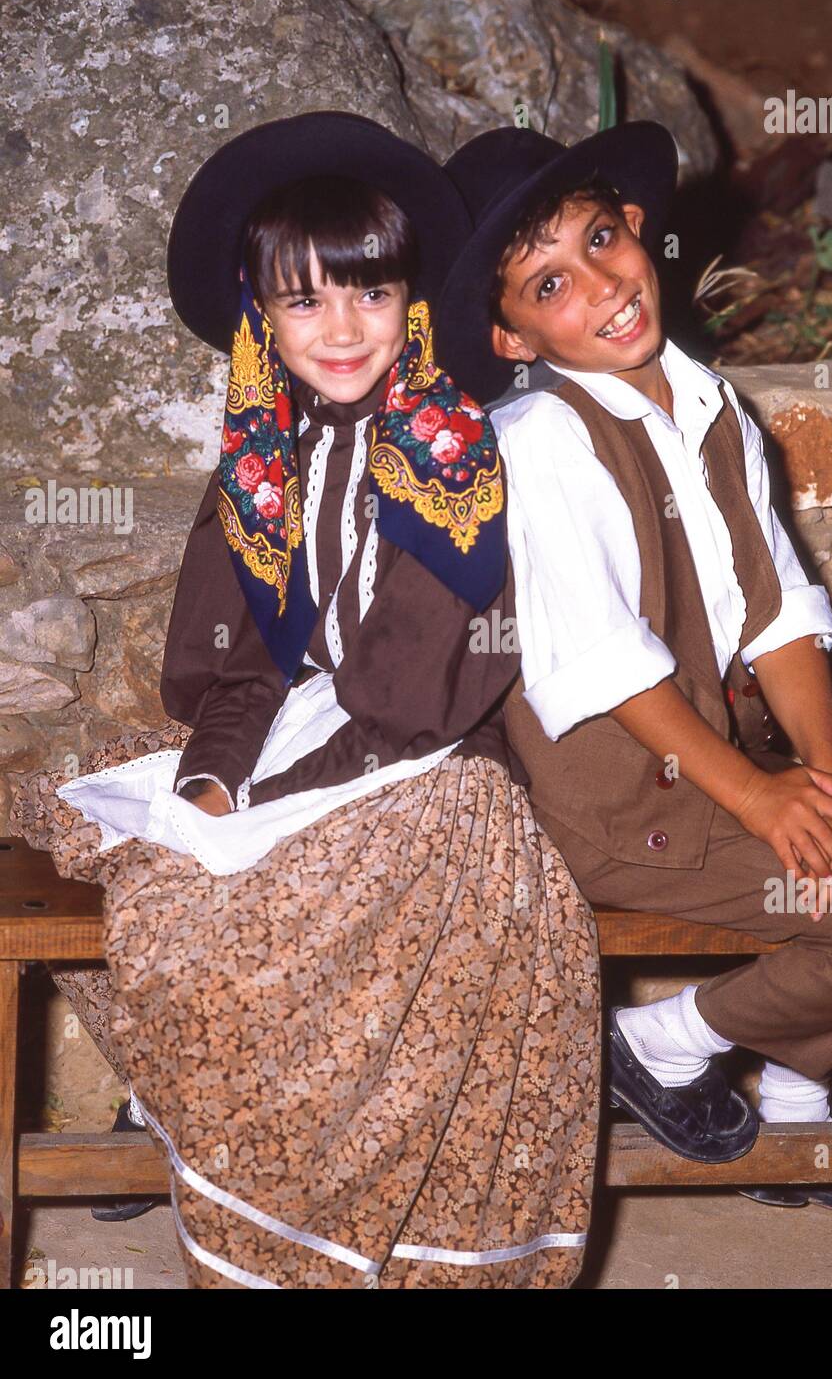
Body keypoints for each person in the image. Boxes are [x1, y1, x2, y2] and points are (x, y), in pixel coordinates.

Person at [14, 112, 601, 1286]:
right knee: (94, 834)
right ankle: (209, 1115)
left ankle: (289, 1196)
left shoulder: (457, 457)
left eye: (370, 295)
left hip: (432, 777)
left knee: (240, 924)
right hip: (312, 740)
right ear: (260, 317)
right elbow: (239, 673)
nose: (341, 329)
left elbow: (411, 699)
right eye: (304, 301)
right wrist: (217, 777)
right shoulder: (261, 461)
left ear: (412, 302)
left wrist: (266, 795)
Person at [432, 122, 832, 1216]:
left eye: (600, 238)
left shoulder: (709, 404)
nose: (601, 283)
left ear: (636, 226)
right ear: (508, 334)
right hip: (610, 808)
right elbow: (602, 658)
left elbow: (776, 607)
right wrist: (755, 794)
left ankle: (788, 1093)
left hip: (706, 778)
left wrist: (825, 771)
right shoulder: (540, 436)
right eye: (551, 282)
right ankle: (655, 1042)